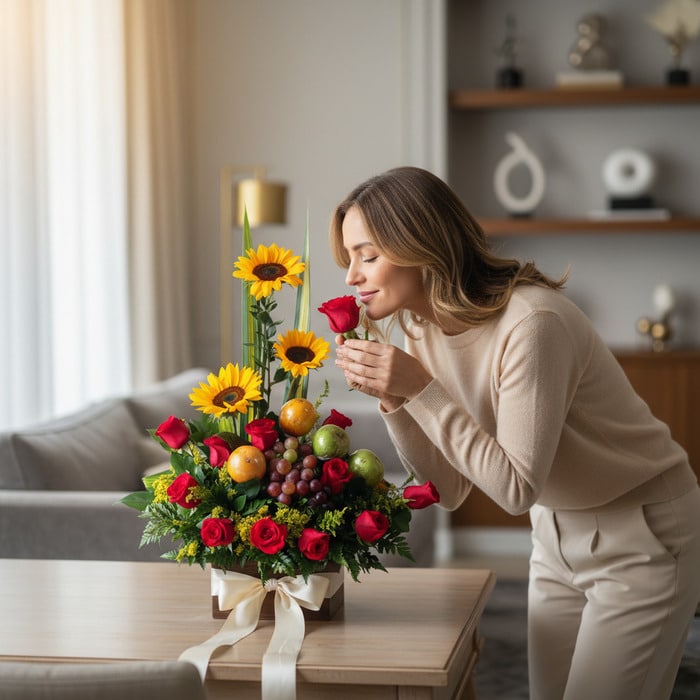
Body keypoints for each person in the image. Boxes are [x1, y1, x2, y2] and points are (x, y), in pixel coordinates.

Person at [329, 166, 700, 700]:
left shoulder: (532, 323)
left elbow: (513, 488)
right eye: (350, 259)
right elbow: (451, 490)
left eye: (367, 255)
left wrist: (420, 389)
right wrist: (395, 399)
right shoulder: (422, 331)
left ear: (422, 244)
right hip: (554, 536)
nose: (352, 277)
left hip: (641, 532)